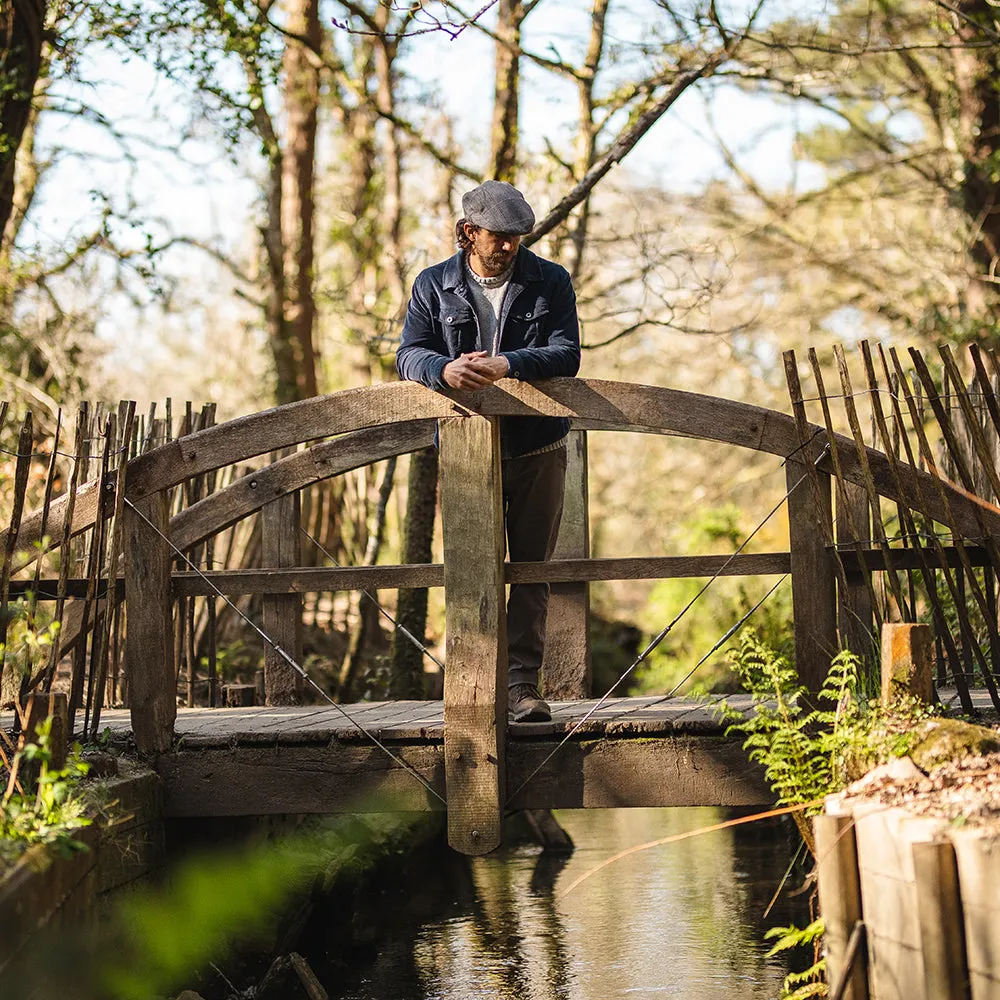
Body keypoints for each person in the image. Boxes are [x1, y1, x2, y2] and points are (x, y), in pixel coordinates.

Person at [396, 180, 581, 722]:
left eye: (516, 238)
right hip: (465, 449)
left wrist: (511, 362)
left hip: (537, 444)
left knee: (529, 570)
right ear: (468, 231)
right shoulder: (433, 285)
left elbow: (566, 353)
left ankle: (522, 690)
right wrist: (443, 370)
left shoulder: (551, 281)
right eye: (497, 236)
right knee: (471, 566)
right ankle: (474, 687)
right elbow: (409, 353)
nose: (507, 246)